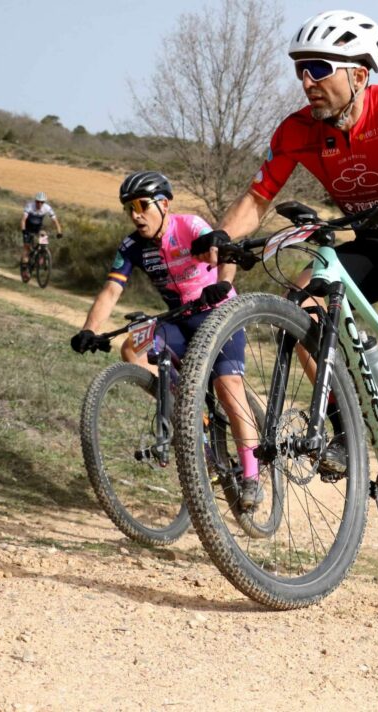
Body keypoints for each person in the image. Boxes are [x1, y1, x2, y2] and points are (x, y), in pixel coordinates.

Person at [191, 10, 378, 520]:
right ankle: (344, 426)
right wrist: (222, 236)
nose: (307, 81)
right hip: (370, 241)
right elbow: (256, 197)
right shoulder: (297, 131)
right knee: (300, 312)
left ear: (358, 73)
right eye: (300, 69)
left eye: (320, 67)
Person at [69, 172, 263, 507]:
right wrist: (90, 329)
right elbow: (113, 289)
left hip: (218, 312)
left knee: (228, 389)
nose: (135, 214)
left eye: (142, 205)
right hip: (179, 318)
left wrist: (223, 282)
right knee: (133, 347)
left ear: (164, 204)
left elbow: (224, 251)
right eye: (129, 208)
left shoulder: (188, 226)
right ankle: (186, 407)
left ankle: (251, 477)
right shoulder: (133, 247)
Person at [19, 192, 63, 280]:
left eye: (42, 202)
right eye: (38, 202)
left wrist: (59, 232)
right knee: (27, 248)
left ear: (44, 202)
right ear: (35, 201)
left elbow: (55, 221)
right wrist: (24, 231)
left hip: (38, 228)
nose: (39, 204)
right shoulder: (30, 206)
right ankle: (25, 271)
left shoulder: (47, 208)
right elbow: (23, 220)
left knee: (44, 234)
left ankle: (42, 254)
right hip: (28, 228)